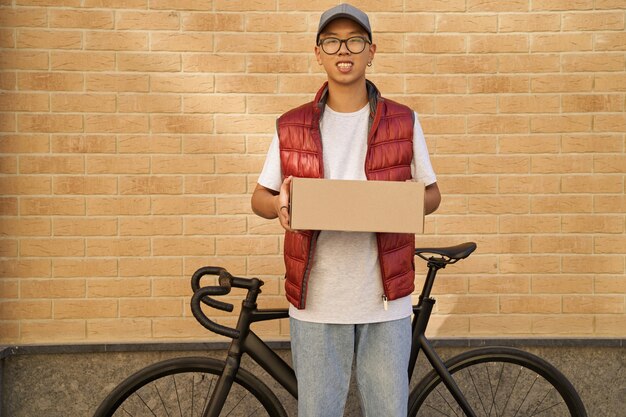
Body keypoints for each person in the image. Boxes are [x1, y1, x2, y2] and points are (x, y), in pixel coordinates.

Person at [251, 3, 441, 416]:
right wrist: (279, 203)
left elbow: (432, 195)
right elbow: (260, 198)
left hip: (386, 301)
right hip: (317, 301)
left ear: (372, 51)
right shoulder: (292, 125)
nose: (344, 50)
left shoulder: (403, 121)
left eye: (355, 40)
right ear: (317, 52)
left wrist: (408, 201)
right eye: (332, 41)